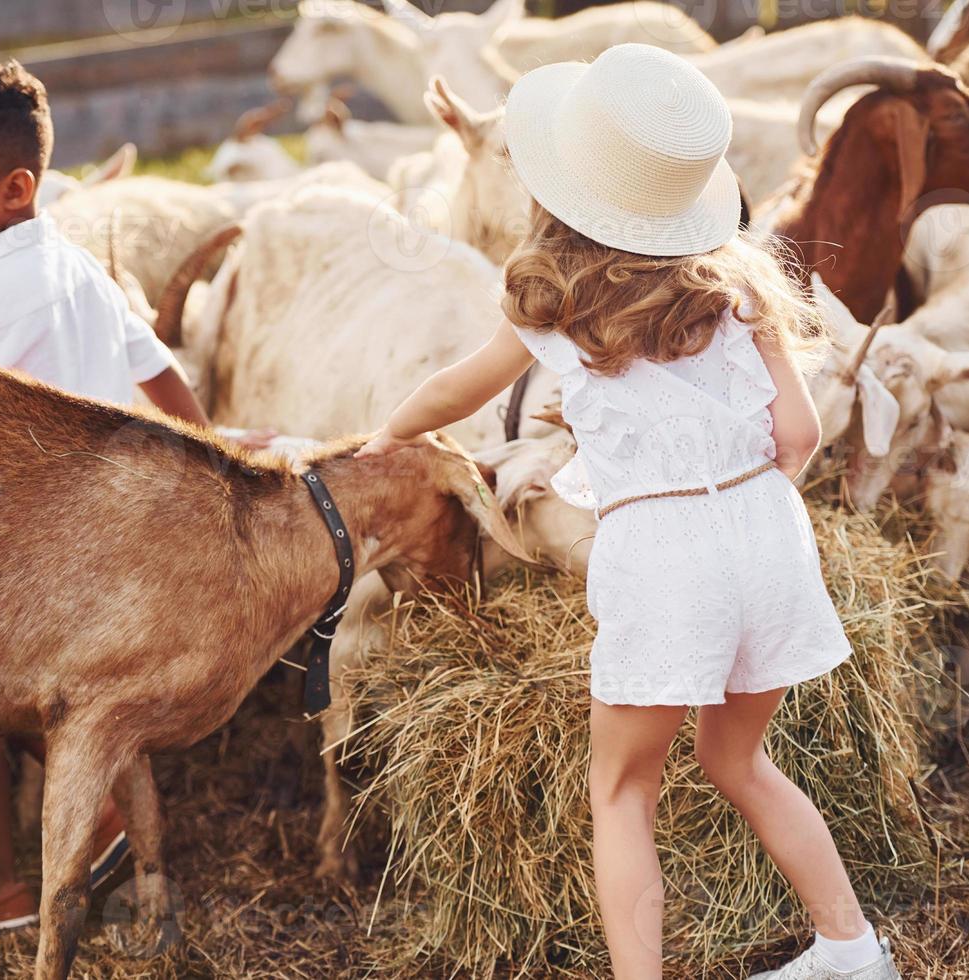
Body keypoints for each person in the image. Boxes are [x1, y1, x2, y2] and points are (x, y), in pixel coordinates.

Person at [355, 44, 899, 980]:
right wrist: (739, 502)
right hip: (768, 536)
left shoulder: (550, 305)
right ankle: (852, 952)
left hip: (663, 554)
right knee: (741, 762)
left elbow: (454, 391)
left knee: (623, 787)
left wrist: (383, 437)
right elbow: (800, 434)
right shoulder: (742, 285)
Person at [0, 56, 272, 932]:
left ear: (17, 188)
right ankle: (109, 832)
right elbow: (160, 368)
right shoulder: (74, 266)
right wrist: (212, 452)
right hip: (110, 554)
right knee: (46, 697)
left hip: (24, 564)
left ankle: (0, 891)